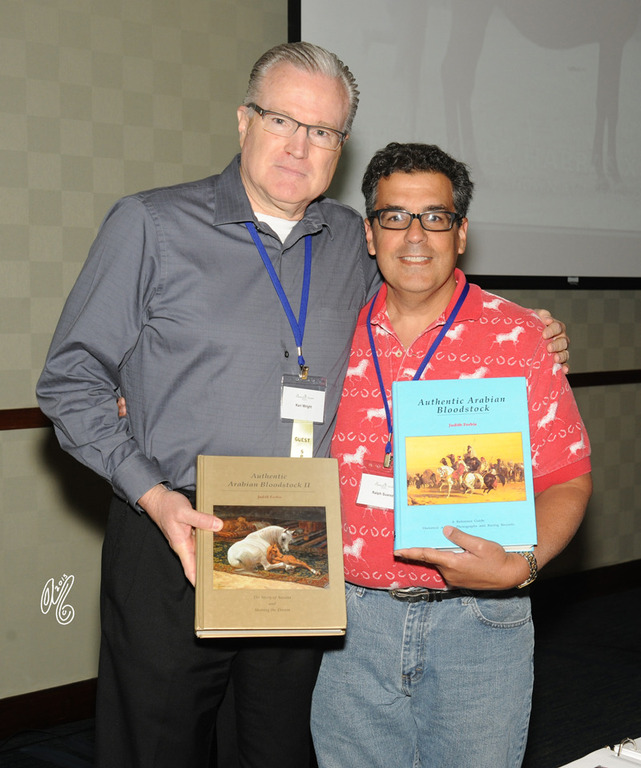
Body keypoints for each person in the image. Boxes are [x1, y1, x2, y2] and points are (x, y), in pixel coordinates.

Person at [36, 41, 570, 768]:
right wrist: (151, 494)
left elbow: (429, 295)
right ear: (242, 121)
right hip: (174, 527)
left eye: (322, 131)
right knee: (155, 746)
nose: (299, 145)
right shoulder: (151, 226)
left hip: (300, 534)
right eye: (282, 119)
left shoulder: (355, 241)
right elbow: (70, 378)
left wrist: (533, 329)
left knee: (277, 748)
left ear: (340, 146)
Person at [310, 142, 592, 768]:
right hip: (349, 627)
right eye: (394, 217)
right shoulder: (329, 334)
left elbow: (568, 479)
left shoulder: (518, 336)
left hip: (481, 628)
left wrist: (526, 566)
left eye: (435, 217)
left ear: (461, 233)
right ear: (368, 233)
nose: (415, 235)